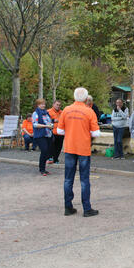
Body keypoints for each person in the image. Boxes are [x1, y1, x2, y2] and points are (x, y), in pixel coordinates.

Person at [57, 87, 100, 217]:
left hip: (70, 147)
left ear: (74, 97)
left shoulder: (66, 110)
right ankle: (86, 208)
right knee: (84, 179)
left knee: (68, 179)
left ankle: (68, 207)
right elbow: (96, 133)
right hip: (83, 149)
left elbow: (59, 131)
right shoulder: (89, 112)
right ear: (86, 99)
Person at [32, 99, 53, 176]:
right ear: (38, 105)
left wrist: (51, 125)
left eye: (44, 104)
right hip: (40, 135)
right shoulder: (35, 113)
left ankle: (44, 168)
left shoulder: (46, 113)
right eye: (41, 104)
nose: (43, 105)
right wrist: (46, 126)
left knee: (47, 152)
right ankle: (42, 169)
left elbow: (50, 122)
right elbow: (35, 124)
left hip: (48, 134)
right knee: (44, 150)